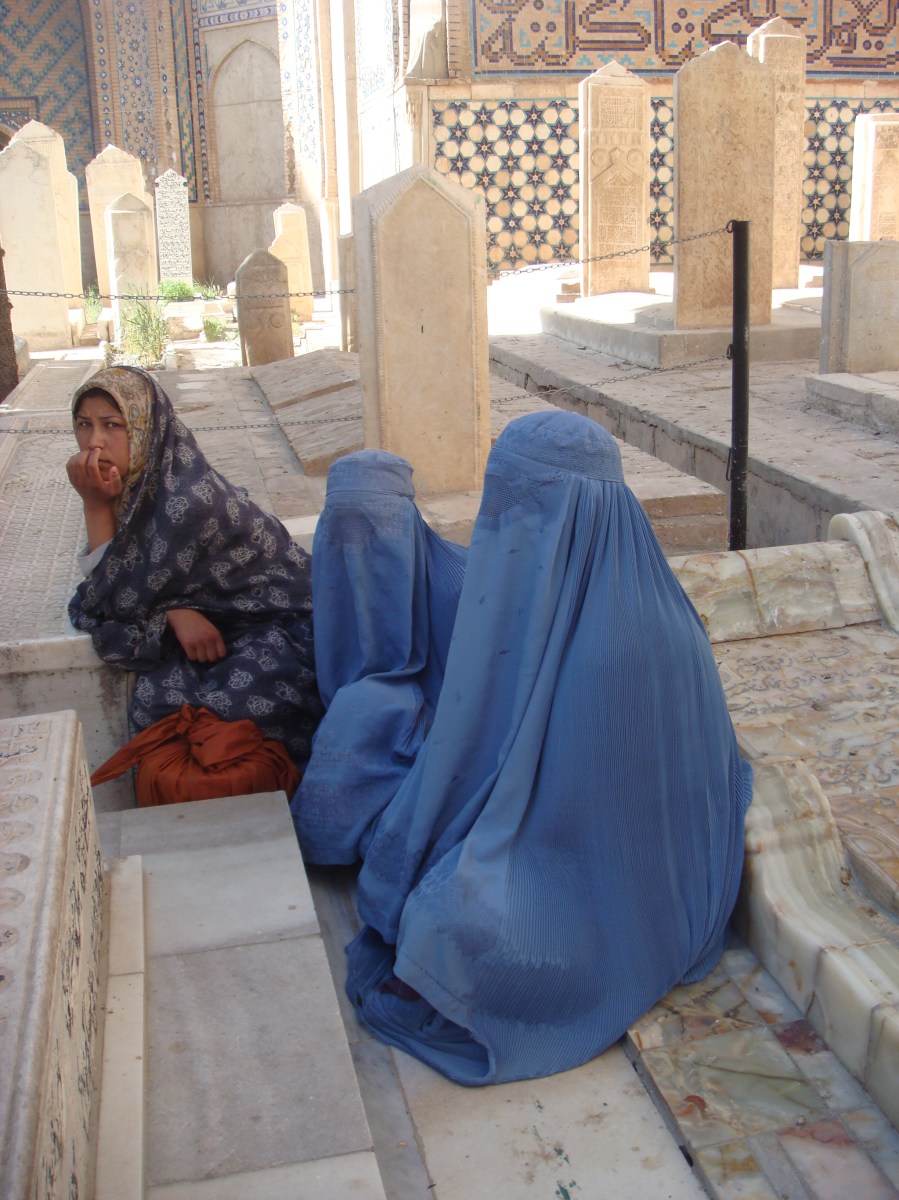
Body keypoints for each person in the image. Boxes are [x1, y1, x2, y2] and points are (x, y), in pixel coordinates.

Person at [340, 410, 753, 1086]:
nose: (499, 529)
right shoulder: (583, 598)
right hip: (575, 847)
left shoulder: (619, 644)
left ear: (573, 516)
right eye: (495, 506)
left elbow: (569, 840)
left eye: (520, 511)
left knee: (451, 924)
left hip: (618, 894)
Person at [67, 365, 322, 764]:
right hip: (215, 619)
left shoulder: (186, 500)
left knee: (234, 711)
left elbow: (114, 598)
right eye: (84, 425)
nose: (94, 442)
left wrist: (94, 504)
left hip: (278, 618)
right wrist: (96, 503)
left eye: (112, 425)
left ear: (143, 427)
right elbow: (112, 591)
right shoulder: (133, 484)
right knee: (162, 704)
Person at [290, 449, 466, 863]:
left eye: (377, 527)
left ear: (408, 520)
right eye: (344, 531)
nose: (358, 548)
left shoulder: (460, 588)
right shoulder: (329, 582)